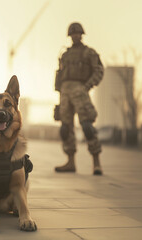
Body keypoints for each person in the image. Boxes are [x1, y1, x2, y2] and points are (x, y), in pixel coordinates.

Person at [54, 22, 104, 175]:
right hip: (65, 92)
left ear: (81, 35)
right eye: (72, 34)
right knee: (65, 129)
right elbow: (60, 75)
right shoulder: (65, 54)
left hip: (80, 91)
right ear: (70, 36)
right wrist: (59, 94)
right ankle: (70, 162)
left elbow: (99, 71)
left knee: (87, 126)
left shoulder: (89, 53)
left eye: (77, 34)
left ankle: (96, 163)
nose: (75, 36)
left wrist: (87, 85)